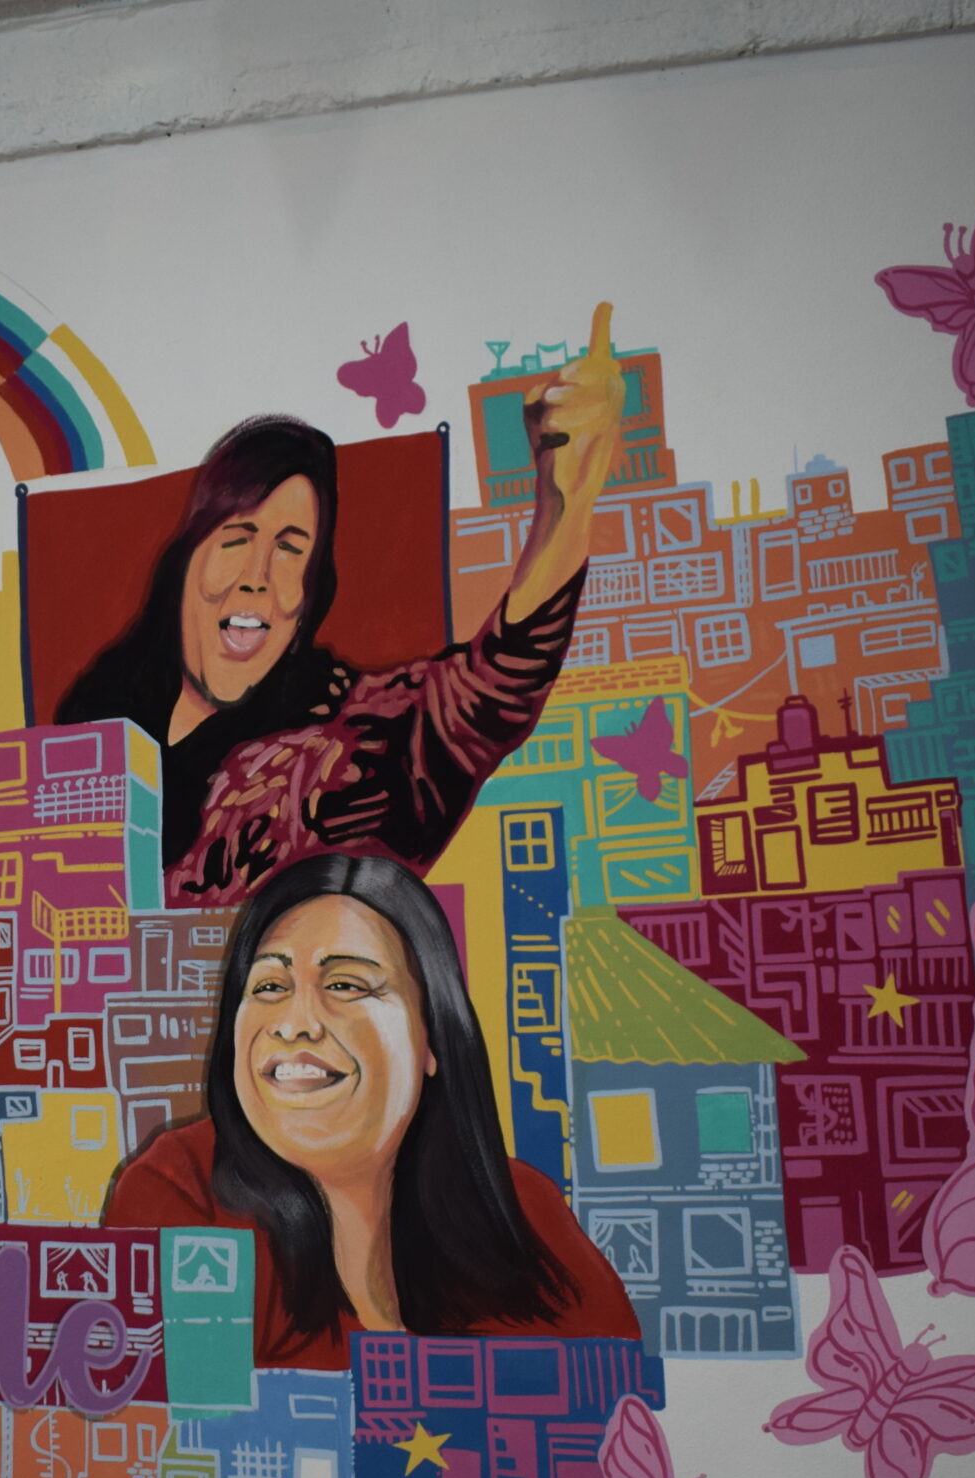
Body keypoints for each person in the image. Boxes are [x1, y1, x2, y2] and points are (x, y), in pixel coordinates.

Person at [57, 305, 629, 907]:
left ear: (309, 596)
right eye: (236, 538)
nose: (256, 578)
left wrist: (564, 505)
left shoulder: (352, 745)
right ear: (185, 564)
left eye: (289, 548)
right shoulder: (91, 721)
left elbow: (491, 688)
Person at [103, 853, 638, 1370]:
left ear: (433, 1036)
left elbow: (619, 1400)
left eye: (345, 984)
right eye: (268, 986)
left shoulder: (525, 1210)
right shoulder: (178, 1191)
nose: (294, 1024)